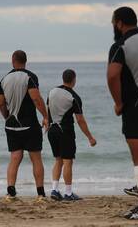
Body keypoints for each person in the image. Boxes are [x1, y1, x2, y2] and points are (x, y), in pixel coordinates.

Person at [107, 6, 138, 219]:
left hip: (136, 105)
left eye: (114, 22)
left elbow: (112, 76)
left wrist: (118, 102)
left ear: (119, 23)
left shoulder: (120, 45)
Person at [0, 50, 48, 201]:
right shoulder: (30, 77)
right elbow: (36, 99)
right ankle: (40, 194)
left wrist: (7, 117)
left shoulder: (4, 79)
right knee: (36, 158)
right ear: (25, 61)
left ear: (12, 61)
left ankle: (11, 192)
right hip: (29, 125)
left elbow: (1, 104)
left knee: (14, 157)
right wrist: (46, 116)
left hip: (11, 125)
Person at [47, 69, 96, 201]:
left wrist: (46, 123)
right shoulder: (74, 97)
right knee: (67, 161)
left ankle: (54, 190)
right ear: (74, 80)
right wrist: (90, 137)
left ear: (63, 78)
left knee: (58, 160)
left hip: (51, 131)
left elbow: (48, 112)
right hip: (65, 131)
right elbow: (80, 120)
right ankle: (68, 193)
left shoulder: (52, 92)